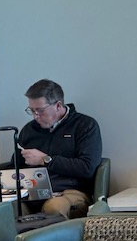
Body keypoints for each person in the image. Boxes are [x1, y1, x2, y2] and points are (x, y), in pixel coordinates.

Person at [15, 79, 102, 218]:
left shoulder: (85, 125)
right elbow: (15, 165)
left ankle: (48, 239)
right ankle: (21, 240)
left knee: (54, 208)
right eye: (32, 110)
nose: (35, 116)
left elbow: (87, 167)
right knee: (7, 208)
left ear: (58, 105)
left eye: (40, 110)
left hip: (70, 191)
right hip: (33, 191)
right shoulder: (29, 130)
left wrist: (45, 160)